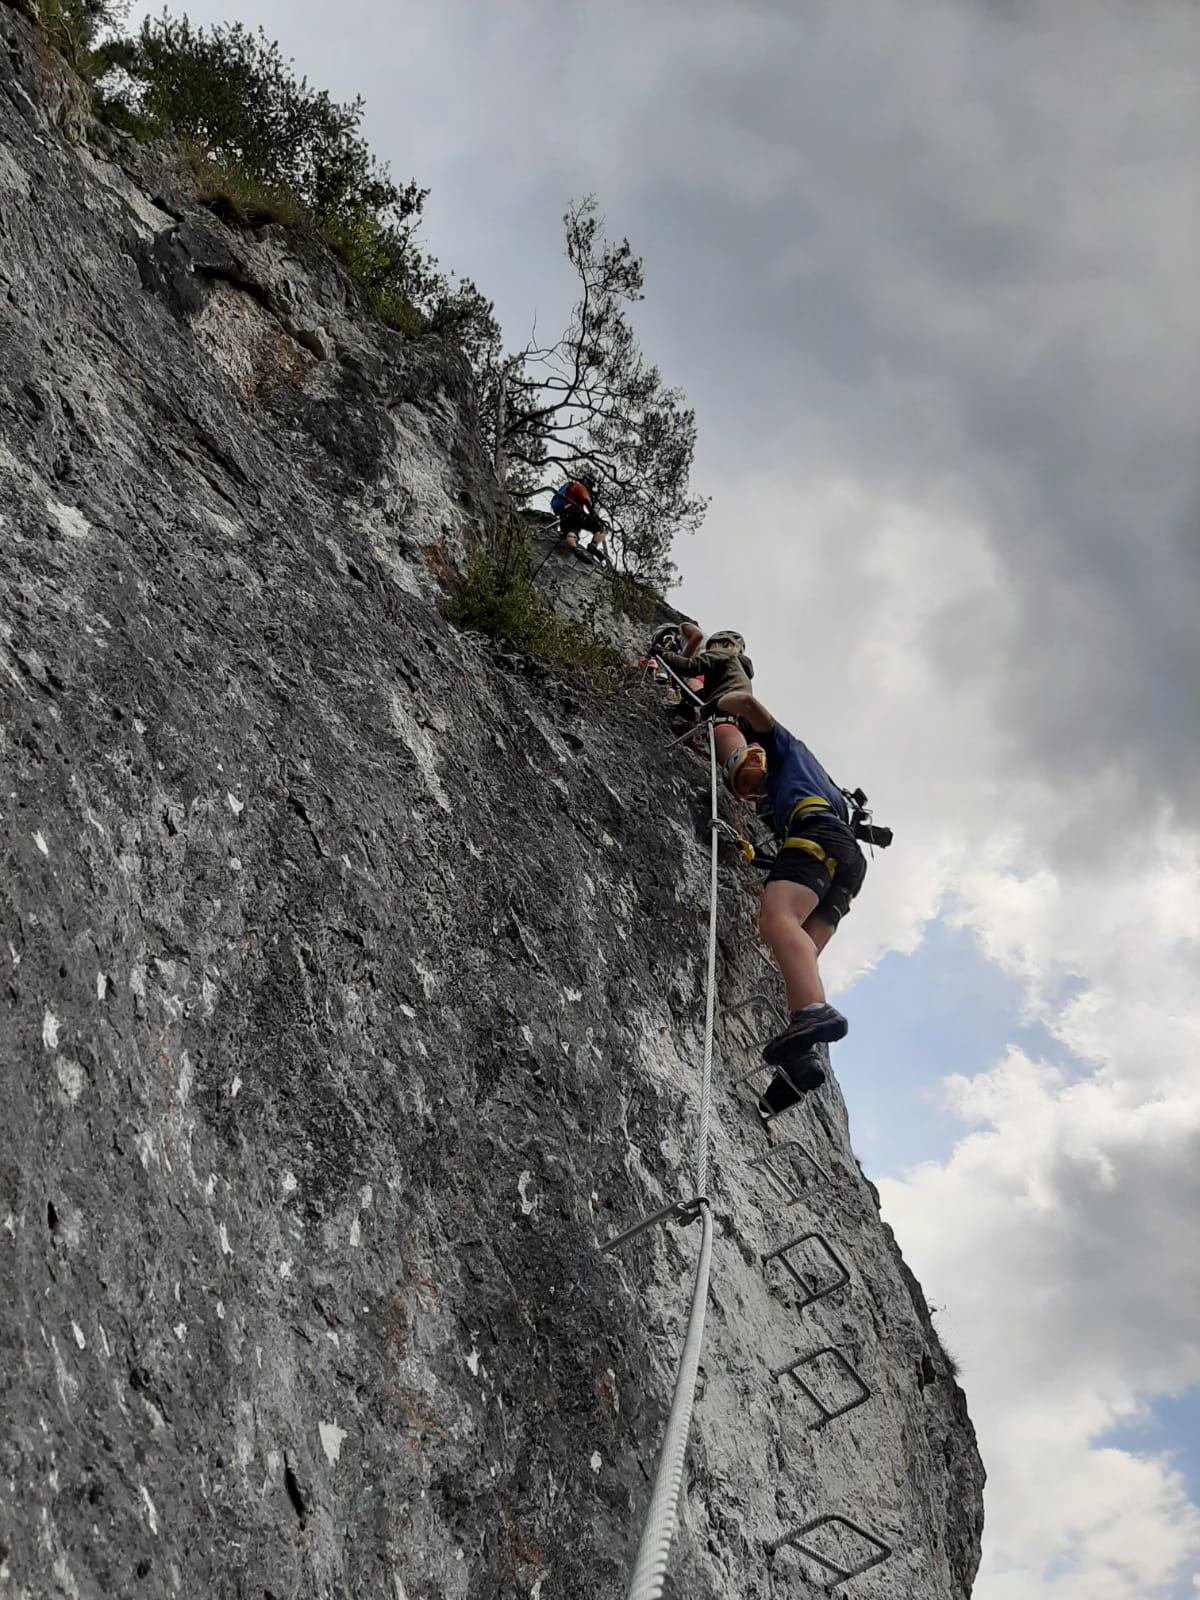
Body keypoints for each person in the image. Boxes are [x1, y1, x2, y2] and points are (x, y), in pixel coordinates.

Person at [715, 689, 869, 1116]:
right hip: (846, 862)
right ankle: (802, 1062)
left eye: (748, 780)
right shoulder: (805, 785)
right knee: (801, 957)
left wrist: (718, 707)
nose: (752, 792)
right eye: (744, 791)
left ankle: (814, 1012)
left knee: (777, 919)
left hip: (817, 835)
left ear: (758, 756)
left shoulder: (783, 750)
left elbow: (748, 706)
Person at [653, 628, 755, 764]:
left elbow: (690, 666)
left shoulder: (723, 654)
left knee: (738, 766)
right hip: (735, 721)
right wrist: (680, 683)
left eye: (711, 647)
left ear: (722, 644)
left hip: (725, 719)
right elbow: (700, 697)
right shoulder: (733, 672)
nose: (709, 651)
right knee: (736, 768)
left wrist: (664, 654)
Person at [551, 472, 609, 562]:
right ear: (586, 482)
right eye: (590, 484)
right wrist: (594, 516)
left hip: (565, 518)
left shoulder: (570, 489)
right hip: (577, 517)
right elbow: (586, 501)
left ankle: (574, 548)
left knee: (572, 532)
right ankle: (593, 546)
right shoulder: (580, 487)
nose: (590, 487)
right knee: (602, 529)